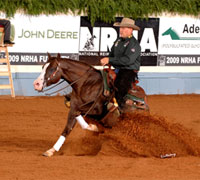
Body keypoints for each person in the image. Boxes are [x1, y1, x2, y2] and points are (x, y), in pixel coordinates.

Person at [100, 17, 141, 109]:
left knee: (120, 86)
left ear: (131, 29)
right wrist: (107, 60)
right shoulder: (118, 41)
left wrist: (109, 60)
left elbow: (128, 60)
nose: (121, 30)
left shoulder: (134, 44)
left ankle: (120, 109)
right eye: (120, 28)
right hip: (118, 68)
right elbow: (112, 54)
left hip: (129, 70)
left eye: (123, 28)